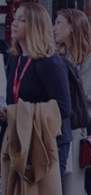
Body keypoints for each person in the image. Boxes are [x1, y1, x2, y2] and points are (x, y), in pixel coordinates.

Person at [1, 2, 71, 177]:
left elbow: (63, 108)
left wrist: (18, 112)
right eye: (15, 18)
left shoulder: (50, 62)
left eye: (22, 20)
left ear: (36, 26)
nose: (14, 24)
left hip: (46, 144)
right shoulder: (14, 58)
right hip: (19, 139)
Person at [54, 8, 91, 195]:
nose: (53, 28)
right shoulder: (63, 57)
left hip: (86, 128)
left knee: (79, 183)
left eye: (58, 23)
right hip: (70, 125)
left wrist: (90, 90)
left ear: (72, 28)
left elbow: (79, 93)